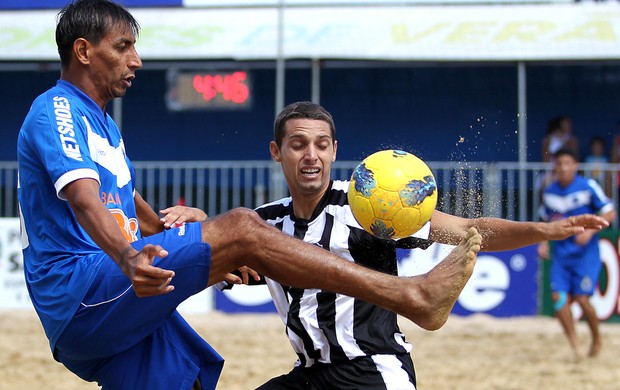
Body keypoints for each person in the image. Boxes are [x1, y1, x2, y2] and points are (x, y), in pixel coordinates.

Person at [15, 2, 491, 389]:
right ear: (82, 50)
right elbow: (83, 197)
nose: (136, 60)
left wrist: (174, 233)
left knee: (188, 381)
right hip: (80, 290)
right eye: (123, 47)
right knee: (245, 226)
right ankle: (411, 295)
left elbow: (122, 197)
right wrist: (129, 255)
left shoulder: (101, 121)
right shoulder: (56, 108)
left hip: (104, 304)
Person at [213, 101, 611, 389]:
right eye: (298, 145)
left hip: (372, 370)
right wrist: (197, 222)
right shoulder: (264, 223)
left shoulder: (369, 206)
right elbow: (211, 257)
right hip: (307, 373)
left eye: (321, 145)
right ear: (276, 152)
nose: (311, 155)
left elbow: (471, 228)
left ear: (335, 150)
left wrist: (544, 230)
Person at [538, 147, 615, 360]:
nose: (563, 168)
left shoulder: (587, 186)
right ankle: (575, 345)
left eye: (567, 163)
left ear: (575, 165)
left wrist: (590, 232)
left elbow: (610, 212)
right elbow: (544, 222)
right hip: (561, 256)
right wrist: (543, 242)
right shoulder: (550, 192)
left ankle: (596, 337)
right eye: (559, 164)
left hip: (585, 254)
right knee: (558, 299)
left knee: (582, 299)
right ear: (555, 166)